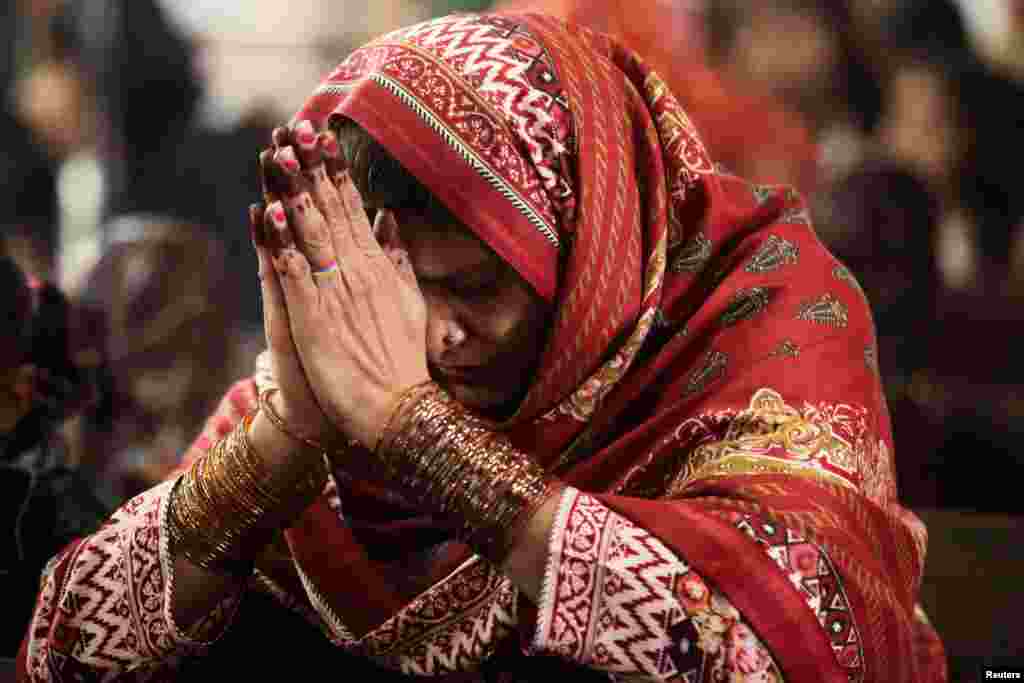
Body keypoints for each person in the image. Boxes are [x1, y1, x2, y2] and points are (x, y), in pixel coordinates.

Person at [18, 12, 945, 681]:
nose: (422, 336)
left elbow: (770, 655)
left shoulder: (758, 321)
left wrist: (410, 431)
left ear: (594, 255)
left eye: (470, 286)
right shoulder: (350, 356)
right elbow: (64, 650)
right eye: (393, 288)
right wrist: (289, 435)